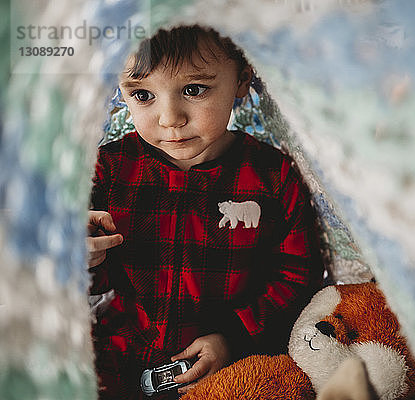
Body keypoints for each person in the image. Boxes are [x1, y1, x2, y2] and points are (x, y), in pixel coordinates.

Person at [87, 25, 324, 399]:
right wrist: (81, 254)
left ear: (242, 79)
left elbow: (297, 275)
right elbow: (79, 281)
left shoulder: (272, 176)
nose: (170, 119)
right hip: (119, 359)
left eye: (194, 90)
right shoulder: (107, 170)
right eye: (143, 95)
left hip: (231, 364)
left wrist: (233, 336)